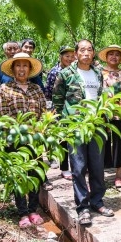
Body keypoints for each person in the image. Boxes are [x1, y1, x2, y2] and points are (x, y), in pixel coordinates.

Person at [52, 39, 114, 226]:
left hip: (95, 126)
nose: (86, 53)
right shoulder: (65, 74)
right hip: (76, 126)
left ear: (93, 53)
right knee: (78, 168)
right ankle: (83, 207)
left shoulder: (97, 73)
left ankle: (97, 202)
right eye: (82, 50)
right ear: (76, 53)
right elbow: (57, 100)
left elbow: (102, 95)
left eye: (89, 50)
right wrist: (65, 124)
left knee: (97, 166)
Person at [0, 52, 47, 228]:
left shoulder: (36, 89)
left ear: (29, 69)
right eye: (18, 65)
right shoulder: (5, 88)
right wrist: (20, 130)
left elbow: (43, 113)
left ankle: (33, 209)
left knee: (34, 173)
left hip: (35, 138)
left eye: (24, 65)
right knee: (18, 174)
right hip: (15, 138)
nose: (21, 69)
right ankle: (22, 212)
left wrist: (39, 130)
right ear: (12, 69)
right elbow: (5, 114)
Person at [97, 44, 121, 188]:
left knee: (119, 142)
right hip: (102, 113)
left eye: (117, 54)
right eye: (111, 54)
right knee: (101, 142)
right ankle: (99, 174)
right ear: (106, 57)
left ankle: (118, 174)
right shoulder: (98, 72)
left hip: (119, 113)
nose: (114, 57)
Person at [45, 45, 77, 179]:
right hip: (58, 108)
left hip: (73, 109)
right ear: (61, 57)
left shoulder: (75, 70)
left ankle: (76, 166)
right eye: (66, 56)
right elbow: (49, 92)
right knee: (62, 137)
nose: (69, 59)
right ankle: (64, 168)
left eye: (71, 56)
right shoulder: (55, 72)